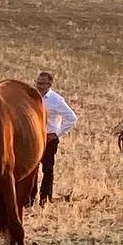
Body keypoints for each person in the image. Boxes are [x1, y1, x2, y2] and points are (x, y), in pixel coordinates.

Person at [30, 70, 77, 207]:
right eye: (37, 83)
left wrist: (57, 133)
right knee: (32, 169)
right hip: (34, 138)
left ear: (49, 84)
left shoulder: (56, 100)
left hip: (49, 139)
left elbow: (72, 118)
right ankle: (29, 199)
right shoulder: (31, 96)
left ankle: (45, 198)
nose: (39, 86)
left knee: (48, 169)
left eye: (42, 83)